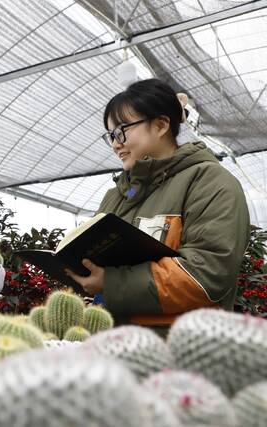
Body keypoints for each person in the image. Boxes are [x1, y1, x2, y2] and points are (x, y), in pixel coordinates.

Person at [66, 78, 250, 328]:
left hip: (179, 349)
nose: (115, 143)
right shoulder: (116, 195)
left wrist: (111, 283)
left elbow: (206, 274)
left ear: (161, 124)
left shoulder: (210, 182)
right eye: (110, 135)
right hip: (113, 344)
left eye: (122, 130)